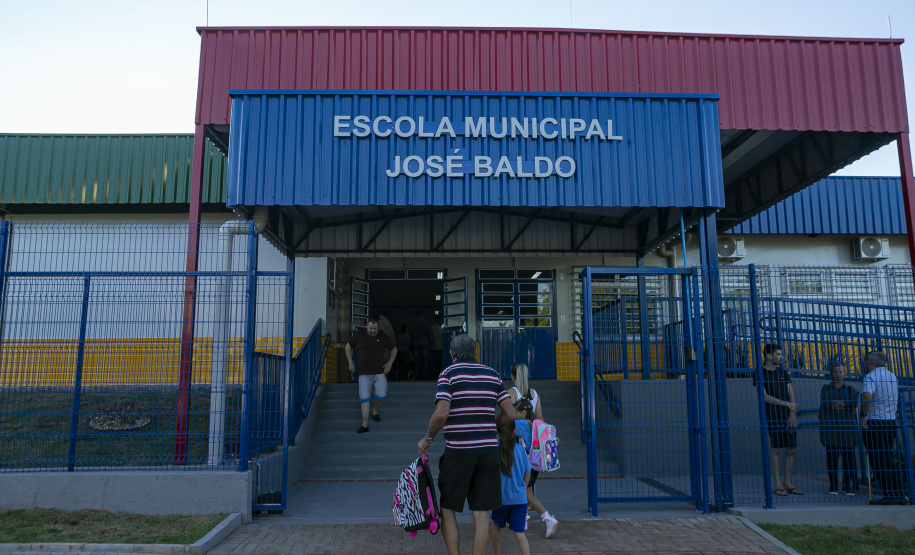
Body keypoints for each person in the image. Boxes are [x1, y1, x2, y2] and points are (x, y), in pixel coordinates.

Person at [417, 334, 519, 555]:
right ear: (475, 353)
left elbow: (441, 413)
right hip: (488, 453)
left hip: (458, 452)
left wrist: (428, 438)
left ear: (452, 355)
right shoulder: (492, 374)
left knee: (447, 507)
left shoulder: (448, 374)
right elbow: (510, 414)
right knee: (482, 514)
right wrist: (491, 424)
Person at [860, 350, 906, 504]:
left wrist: (863, 415)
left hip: (875, 422)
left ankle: (889, 494)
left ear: (871, 362)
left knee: (878, 459)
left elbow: (867, 395)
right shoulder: (891, 376)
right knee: (888, 458)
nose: (864, 364)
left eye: (866, 361)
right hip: (889, 422)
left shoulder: (871, 376)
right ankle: (898, 492)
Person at [754, 344, 801, 496]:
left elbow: (791, 393)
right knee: (776, 450)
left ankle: (788, 482)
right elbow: (765, 396)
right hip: (773, 416)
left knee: (791, 449)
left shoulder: (783, 373)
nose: (781, 357)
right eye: (778, 354)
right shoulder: (759, 373)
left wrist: (792, 413)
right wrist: (786, 404)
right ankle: (778, 484)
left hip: (788, 416)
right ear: (769, 356)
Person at [513, 398, 559, 538]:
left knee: (526, 494)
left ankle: (548, 519)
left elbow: (505, 426)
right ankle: (522, 520)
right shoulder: (533, 423)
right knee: (527, 493)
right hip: (535, 463)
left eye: (516, 413)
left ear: (524, 412)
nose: (514, 415)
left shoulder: (520, 424)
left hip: (527, 465)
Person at [345, 317, 396, 433]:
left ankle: (375, 411)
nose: (373, 331)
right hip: (363, 373)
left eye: (375, 329)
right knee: (364, 398)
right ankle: (365, 424)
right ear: (366, 327)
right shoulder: (359, 334)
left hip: (380, 372)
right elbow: (348, 346)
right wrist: (350, 362)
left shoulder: (383, 336)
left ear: (378, 328)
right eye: (371, 328)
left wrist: (389, 363)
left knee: (381, 395)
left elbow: (394, 349)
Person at [490, 420, 532, 555]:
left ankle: (497, 553)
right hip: (520, 499)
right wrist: (523, 487)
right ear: (514, 431)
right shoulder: (521, 450)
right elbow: (527, 472)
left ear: (498, 432)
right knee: (519, 533)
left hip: (500, 499)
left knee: (496, 526)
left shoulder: (496, 450)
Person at [818, 358, 858, 495]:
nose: (838, 374)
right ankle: (833, 486)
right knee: (832, 460)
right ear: (831, 374)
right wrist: (846, 405)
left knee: (849, 460)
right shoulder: (826, 388)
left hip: (848, 430)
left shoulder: (850, 389)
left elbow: (854, 403)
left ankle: (848, 486)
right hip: (831, 430)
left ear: (845, 374)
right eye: (835, 372)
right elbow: (826, 402)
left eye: (841, 371)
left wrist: (842, 404)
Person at [411, 309, 434, 380]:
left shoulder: (413, 322)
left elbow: (410, 333)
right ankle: (425, 375)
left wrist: (412, 342)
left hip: (415, 343)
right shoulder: (426, 322)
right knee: (425, 360)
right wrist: (432, 342)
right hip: (425, 343)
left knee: (417, 360)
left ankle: (417, 375)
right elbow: (430, 333)